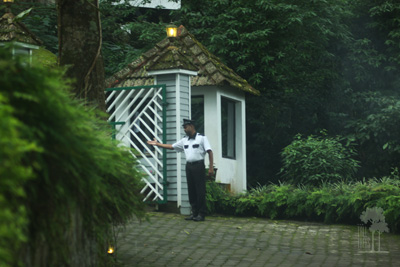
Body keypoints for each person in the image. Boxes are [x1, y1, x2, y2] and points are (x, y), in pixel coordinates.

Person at [147, 119, 214, 222]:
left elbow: (209, 152)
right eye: (184, 127)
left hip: (199, 166)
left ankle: (201, 214)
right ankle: (194, 213)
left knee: (200, 191)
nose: (184, 128)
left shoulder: (202, 138)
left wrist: (210, 168)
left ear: (191, 126)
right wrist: (157, 144)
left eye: (186, 126)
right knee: (191, 190)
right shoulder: (184, 140)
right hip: (189, 166)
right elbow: (171, 147)